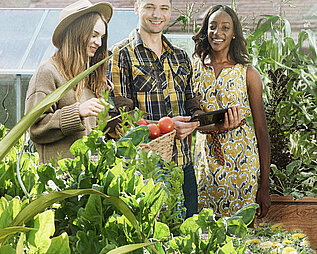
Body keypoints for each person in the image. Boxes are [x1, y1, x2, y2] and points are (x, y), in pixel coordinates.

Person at [108, 0, 203, 219]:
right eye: (150, 6)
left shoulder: (181, 56)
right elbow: (124, 120)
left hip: (183, 163)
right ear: (136, 7)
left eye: (164, 8)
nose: (157, 14)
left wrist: (197, 118)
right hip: (148, 170)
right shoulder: (121, 54)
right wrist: (167, 128)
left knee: (189, 240)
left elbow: (191, 101)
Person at [191, 5, 270, 218]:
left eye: (225, 27)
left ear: (234, 33)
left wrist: (264, 186)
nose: (218, 33)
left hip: (242, 165)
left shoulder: (247, 72)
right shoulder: (194, 69)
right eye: (213, 26)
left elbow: (262, 131)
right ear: (205, 31)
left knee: (241, 234)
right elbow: (192, 119)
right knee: (204, 233)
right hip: (205, 163)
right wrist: (218, 126)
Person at [25, 0, 113, 162]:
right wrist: (77, 112)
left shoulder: (90, 75)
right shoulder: (48, 72)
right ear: (76, 32)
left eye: (101, 37)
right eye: (94, 35)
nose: (99, 43)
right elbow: (35, 128)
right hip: (59, 179)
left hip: (88, 177)